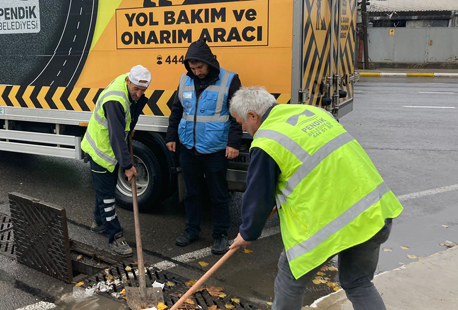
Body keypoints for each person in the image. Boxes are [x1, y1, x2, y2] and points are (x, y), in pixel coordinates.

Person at [228, 87, 403, 310]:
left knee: (289, 282)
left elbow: (258, 196)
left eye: (241, 122)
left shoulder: (266, 141)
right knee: (358, 283)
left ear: (253, 115)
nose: (242, 128)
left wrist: (247, 233)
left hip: (326, 224)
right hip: (372, 211)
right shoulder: (314, 113)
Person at [165, 39, 243, 255]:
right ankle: (192, 230)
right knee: (191, 193)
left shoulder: (229, 80)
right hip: (189, 147)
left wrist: (233, 143)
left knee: (218, 195)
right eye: (192, 68)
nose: (197, 72)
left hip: (216, 149)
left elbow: (238, 115)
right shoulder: (184, 80)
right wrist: (171, 136)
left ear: (209, 63)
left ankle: (220, 235)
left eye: (200, 67)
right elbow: (176, 110)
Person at [81, 65, 150, 257]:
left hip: (108, 147)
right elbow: (117, 137)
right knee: (108, 196)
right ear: (129, 81)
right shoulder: (115, 99)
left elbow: (127, 117)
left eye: (142, 91)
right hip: (101, 150)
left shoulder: (127, 84)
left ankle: (99, 222)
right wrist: (128, 166)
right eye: (136, 89)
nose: (138, 93)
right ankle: (115, 235)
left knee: (104, 190)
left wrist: (131, 126)